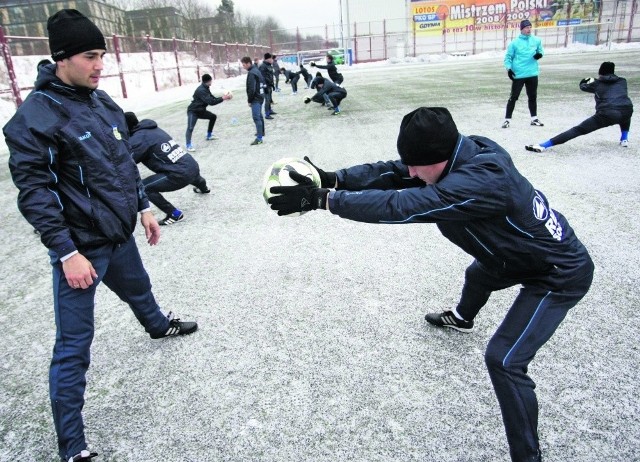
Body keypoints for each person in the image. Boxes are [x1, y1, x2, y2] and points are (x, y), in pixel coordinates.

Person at [267, 107, 594, 462]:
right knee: (478, 273)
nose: (410, 171)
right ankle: (463, 318)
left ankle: (528, 458)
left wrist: (324, 200)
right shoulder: (455, 156)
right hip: (509, 256)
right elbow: (394, 172)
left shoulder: (484, 179)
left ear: (439, 158)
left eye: (417, 164)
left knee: (503, 360)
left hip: (556, 272)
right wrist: (333, 178)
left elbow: (403, 204)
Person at [2, 9, 198, 462]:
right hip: (81, 251)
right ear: (62, 57)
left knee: (139, 289)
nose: (99, 65)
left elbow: (124, 164)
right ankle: (73, 448)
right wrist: (66, 251)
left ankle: (157, 327)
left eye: (101, 56)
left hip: (119, 235)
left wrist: (144, 207)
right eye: (91, 56)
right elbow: (35, 193)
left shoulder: (101, 99)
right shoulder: (34, 118)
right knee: (74, 347)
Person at [125, 111, 211, 225]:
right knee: (188, 171)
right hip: (192, 165)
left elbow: (126, 161)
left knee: (144, 187)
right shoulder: (151, 128)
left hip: (180, 174)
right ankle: (204, 188)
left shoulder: (138, 139)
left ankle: (174, 214)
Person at [526, 61, 633, 152]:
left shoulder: (597, 83)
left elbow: (583, 86)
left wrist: (586, 80)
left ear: (600, 72)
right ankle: (624, 139)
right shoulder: (622, 81)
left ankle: (544, 145)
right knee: (624, 110)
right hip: (627, 110)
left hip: (607, 113)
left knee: (578, 130)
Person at [502, 19, 544, 128]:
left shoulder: (536, 40)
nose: (529, 29)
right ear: (521, 29)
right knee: (513, 97)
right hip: (519, 74)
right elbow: (508, 58)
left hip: (532, 73)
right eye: (526, 27)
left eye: (530, 27)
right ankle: (507, 120)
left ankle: (534, 119)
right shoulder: (514, 43)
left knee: (532, 96)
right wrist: (509, 69)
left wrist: (540, 54)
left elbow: (541, 51)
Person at [185, 73, 232, 151]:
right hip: (193, 111)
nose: (212, 82)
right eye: (211, 80)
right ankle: (188, 145)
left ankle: (209, 135)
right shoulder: (201, 90)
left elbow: (212, 98)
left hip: (201, 111)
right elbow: (211, 102)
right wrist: (223, 98)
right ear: (209, 81)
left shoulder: (206, 87)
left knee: (213, 117)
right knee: (190, 128)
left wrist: (223, 97)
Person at [241, 56, 265, 145]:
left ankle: (259, 138)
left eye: (244, 65)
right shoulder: (256, 70)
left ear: (248, 63)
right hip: (260, 96)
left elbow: (252, 89)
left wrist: (250, 100)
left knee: (256, 117)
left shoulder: (252, 73)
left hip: (256, 98)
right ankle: (261, 132)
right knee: (260, 116)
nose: (243, 67)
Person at [259, 53, 276, 119]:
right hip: (266, 86)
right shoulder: (262, 66)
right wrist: (264, 86)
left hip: (270, 85)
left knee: (269, 99)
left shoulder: (269, 65)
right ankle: (267, 114)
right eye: (271, 58)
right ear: (268, 59)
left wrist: (272, 84)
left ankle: (269, 110)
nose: (272, 60)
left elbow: (270, 76)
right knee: (267, 100)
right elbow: (262, 77)